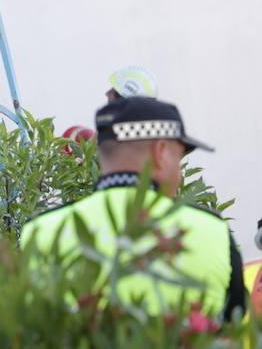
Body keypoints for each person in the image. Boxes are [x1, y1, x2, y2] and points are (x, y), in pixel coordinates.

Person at [21, 96, 247, 320]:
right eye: (178, 157)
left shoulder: (40, 230)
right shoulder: (212, 230)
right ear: (159, 152)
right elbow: (234, 328)